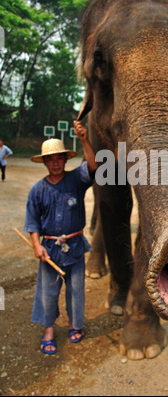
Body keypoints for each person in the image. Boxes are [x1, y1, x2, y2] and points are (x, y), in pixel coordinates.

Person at [24, 121, 98, 354]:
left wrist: (84, 139)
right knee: (48, 292)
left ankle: (75, 325)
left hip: (75, 246)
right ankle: (48, 330)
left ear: (66, 160)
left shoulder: (77, 180)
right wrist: (37, 245)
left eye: (59, 158)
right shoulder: (37, 190)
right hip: (49, 250)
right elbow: (33, 221)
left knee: (76, 289)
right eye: (50, 159)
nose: (55, 163)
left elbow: (95, 167)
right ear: (44, 162)